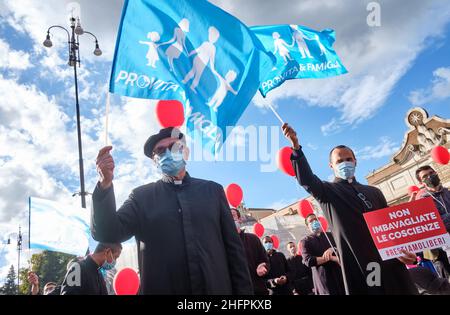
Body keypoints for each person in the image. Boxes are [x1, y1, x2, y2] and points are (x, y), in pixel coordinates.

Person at [92, 127, 253, 295]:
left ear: (186, 152)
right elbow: (107, 233)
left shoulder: (212, 191)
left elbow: (235, 253)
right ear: (154, 161)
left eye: (175, 147)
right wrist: (104, 184)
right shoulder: (141, 197)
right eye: (160, 151)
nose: (169, 153)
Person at [282, 123, 418, 294]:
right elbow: (307, 180)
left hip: (393, 264)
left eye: (348, 159)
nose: (345, 163)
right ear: (331, 166)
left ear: (355, 161)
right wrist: (296, 147)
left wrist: (407, 251)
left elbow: (393, 229)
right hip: (365, 268)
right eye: (339, 161)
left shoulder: (374, 192)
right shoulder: (327, 192)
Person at [300, 214, 344, 295]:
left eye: (316, 219)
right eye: (311, 221)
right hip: (324, 280)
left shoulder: (330, 235)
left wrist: (333, 249)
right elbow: (308, 261)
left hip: (340, 275)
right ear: (307, 227)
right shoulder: (305, 241)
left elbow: (341, 249)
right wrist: (330, 258)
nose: (314, 222)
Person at [231, 208, 270, 295]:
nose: (230, 219)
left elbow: (265, 261)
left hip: (258, 290)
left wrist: (263, 267)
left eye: (232, 216)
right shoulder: (222, 244)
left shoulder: (253, 239)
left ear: (240, 219)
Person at [411, 165, 450, 232]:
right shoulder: (422, 201)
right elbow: (433, 223)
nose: (429, 176)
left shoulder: (447, 192)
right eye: (425, 176)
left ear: (436, 173)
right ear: (421, 183)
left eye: (431, 173)